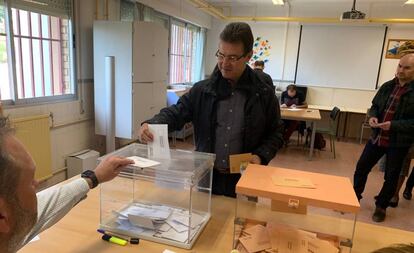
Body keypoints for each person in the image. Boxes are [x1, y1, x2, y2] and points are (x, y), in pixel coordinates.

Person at [138, 22, 284, 198]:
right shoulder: (202, 90)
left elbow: (276, 132)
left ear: (248, 56)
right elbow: (177, 112)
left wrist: (260, 157)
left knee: (240, 224)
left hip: (245, 175)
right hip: (207, 175)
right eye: (221, 55)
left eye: (232, 58)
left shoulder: (263, 92)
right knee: (208, 221)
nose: (224, 63)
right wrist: (151, 124)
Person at [0, 114, 134, 253]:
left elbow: (45, 206)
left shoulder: (8, 224)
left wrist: (94, 178)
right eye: (30, 182)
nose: (37, 183)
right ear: (2, 216)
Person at [353, 52, 414, 222]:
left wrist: (393, 125)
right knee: (362, 167)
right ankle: (354, 197)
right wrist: (373, 116)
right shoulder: (387, 86)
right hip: (377, 137)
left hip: (398, 142)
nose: (401, 70)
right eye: (400, 66)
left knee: (391, 175)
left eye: (407, 68)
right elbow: (374, 106)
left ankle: (381, 206)